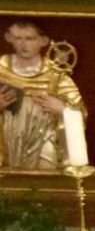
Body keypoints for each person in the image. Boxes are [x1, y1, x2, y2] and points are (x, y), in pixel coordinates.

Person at [1, 19, 84, 171]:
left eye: (30, 39)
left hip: (44, 137)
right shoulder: (1, 69)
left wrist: (62, 109)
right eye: (18, 38)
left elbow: (79, 112)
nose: (23, 44)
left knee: (44, 173)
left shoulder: (56, 76)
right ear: (9, 38)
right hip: (6, 139)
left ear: (43, 41)